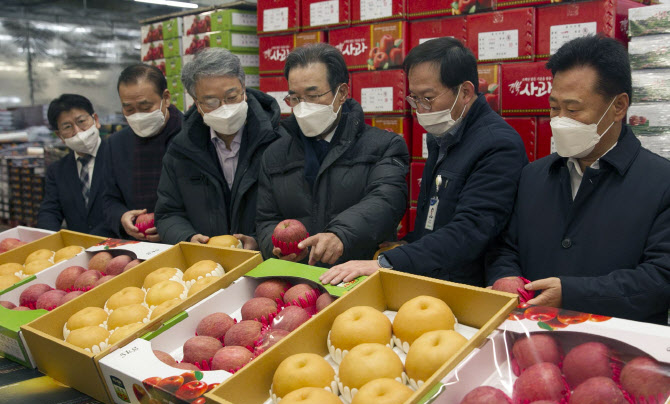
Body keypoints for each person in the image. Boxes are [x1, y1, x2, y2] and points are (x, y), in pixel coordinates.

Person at [486, 35, 670, 324]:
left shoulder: (661, 183)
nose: (559, 120)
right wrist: (504, 276)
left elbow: (660, 279)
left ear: (619, 106)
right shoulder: (533, 176)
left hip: (620, 351)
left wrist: (572, 293)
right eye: (554, 107)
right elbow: (506, 246)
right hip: (529, 338)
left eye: (573, 110)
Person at [321, 38, 527, 286]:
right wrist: (407, 244)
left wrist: (388, 262)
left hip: (466, 286)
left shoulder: (497, 145)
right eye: (414, 98)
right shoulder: (443, 135)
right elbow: (434, 216)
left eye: (427, 98)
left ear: (465, 92)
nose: (420, 109)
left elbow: (470, 231)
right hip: (432, 276)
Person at [255, 43, 409, 266]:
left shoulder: (384, 146)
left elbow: (386, 202)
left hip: (357, 281)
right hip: (297, 282)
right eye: (295, 98)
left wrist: (341, 235)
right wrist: (276, 247)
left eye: (313, 95)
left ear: (342, 93)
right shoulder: (275, 154)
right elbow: (266, 219)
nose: (303, 107)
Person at [155, 49, 284, 247]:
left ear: (244, 90)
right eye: (211, 102)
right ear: (197, 104)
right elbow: (168, 213)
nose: (224, 108)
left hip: (265, 262)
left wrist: (260, 241)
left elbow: (293, 212)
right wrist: (188, 238)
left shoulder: (278, 141)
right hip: (206, 263)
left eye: (231, 97)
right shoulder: (181, 150)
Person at [103, 64, 183, 241]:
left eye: (145, 107)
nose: (138, 115)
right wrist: (121, 217)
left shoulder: (192, 136)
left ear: (166, 98)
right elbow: (108, 198)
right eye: (129, 109)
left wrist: (171, 227)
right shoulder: (116, 144)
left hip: (186, 242)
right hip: (137, 246)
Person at [37, 94, 110, 236]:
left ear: (95, 120)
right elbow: (50, 211)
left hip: (119, 246)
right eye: (68, 127)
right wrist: (46, 240)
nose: (77, 131)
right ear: (60, 136)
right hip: (78, 249)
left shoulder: (118, 156)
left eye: (81, 121)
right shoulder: (57, 170)